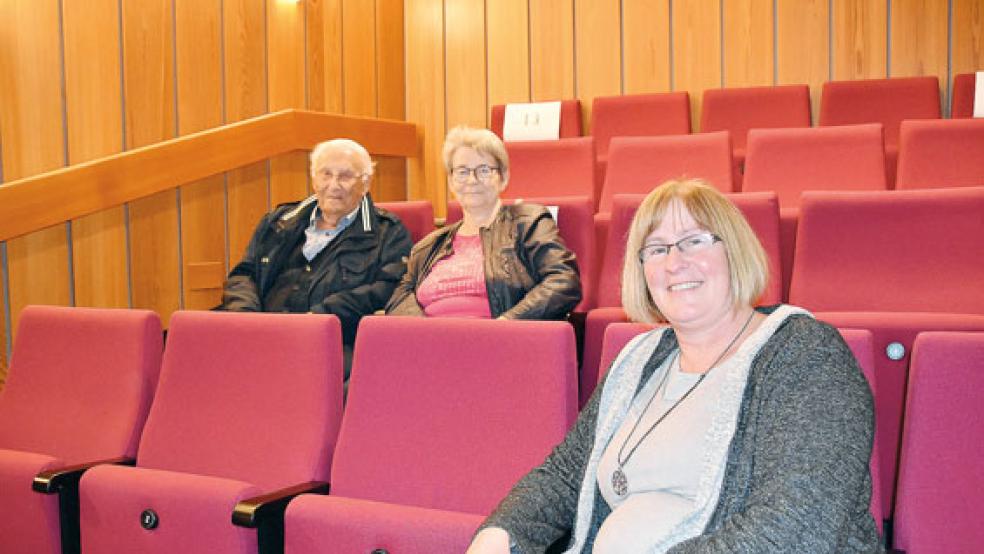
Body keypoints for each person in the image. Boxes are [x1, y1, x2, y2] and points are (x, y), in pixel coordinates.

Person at [467, 179, 882, 553]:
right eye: (657, 249)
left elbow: (794, 531)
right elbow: (565, 474)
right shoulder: (637, 358)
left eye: (694, 241)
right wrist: (502, 533)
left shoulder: (805, 355)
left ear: (734, 250)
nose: (674, 262)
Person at [219, 138, 412, 369]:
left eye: (345, 176)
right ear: (313, 178)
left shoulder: (387, 231)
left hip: (331, 343)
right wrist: (246, 319)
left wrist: (320, 318)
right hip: (259, 334)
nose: (334, 185)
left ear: (366, 183)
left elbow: (388, 288)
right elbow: (244, 274)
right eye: (326, 174)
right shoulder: (278, 221)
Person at [385, 126, 581, 320]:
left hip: (499, 341)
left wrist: (507, 324)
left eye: (484, 170)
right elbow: (399, 299)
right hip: (430, 343)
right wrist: (423, 333)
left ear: (503, 178)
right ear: (451, 181)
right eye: (462, 171)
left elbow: (563, 281)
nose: (472, 180)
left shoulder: (527, 223)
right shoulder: (429, 246)